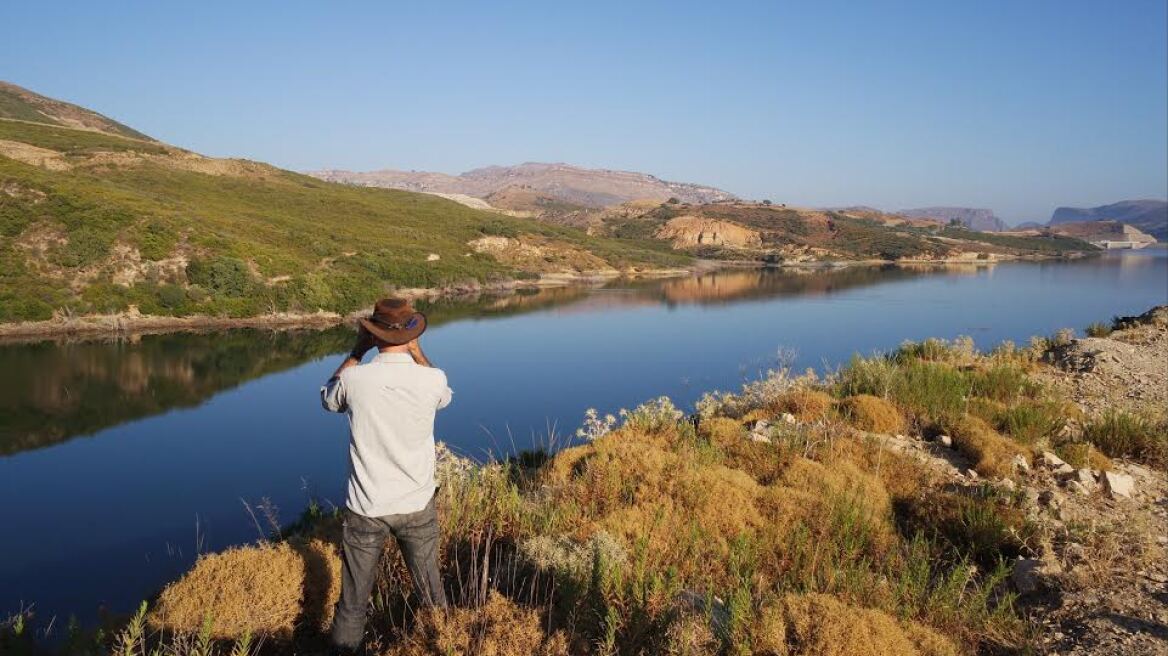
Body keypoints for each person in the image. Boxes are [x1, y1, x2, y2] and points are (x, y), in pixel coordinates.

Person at [320, 298, 452, 652]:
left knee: (353, 604)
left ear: (373, 335)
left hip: (366, 506)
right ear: (411, 336)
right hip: (416, 503)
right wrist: (418, 353)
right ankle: (443, 645)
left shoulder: (353, 378)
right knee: (431, 594)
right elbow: (444, 398)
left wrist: (355, 352)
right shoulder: (433, 378)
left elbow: (328, 400)